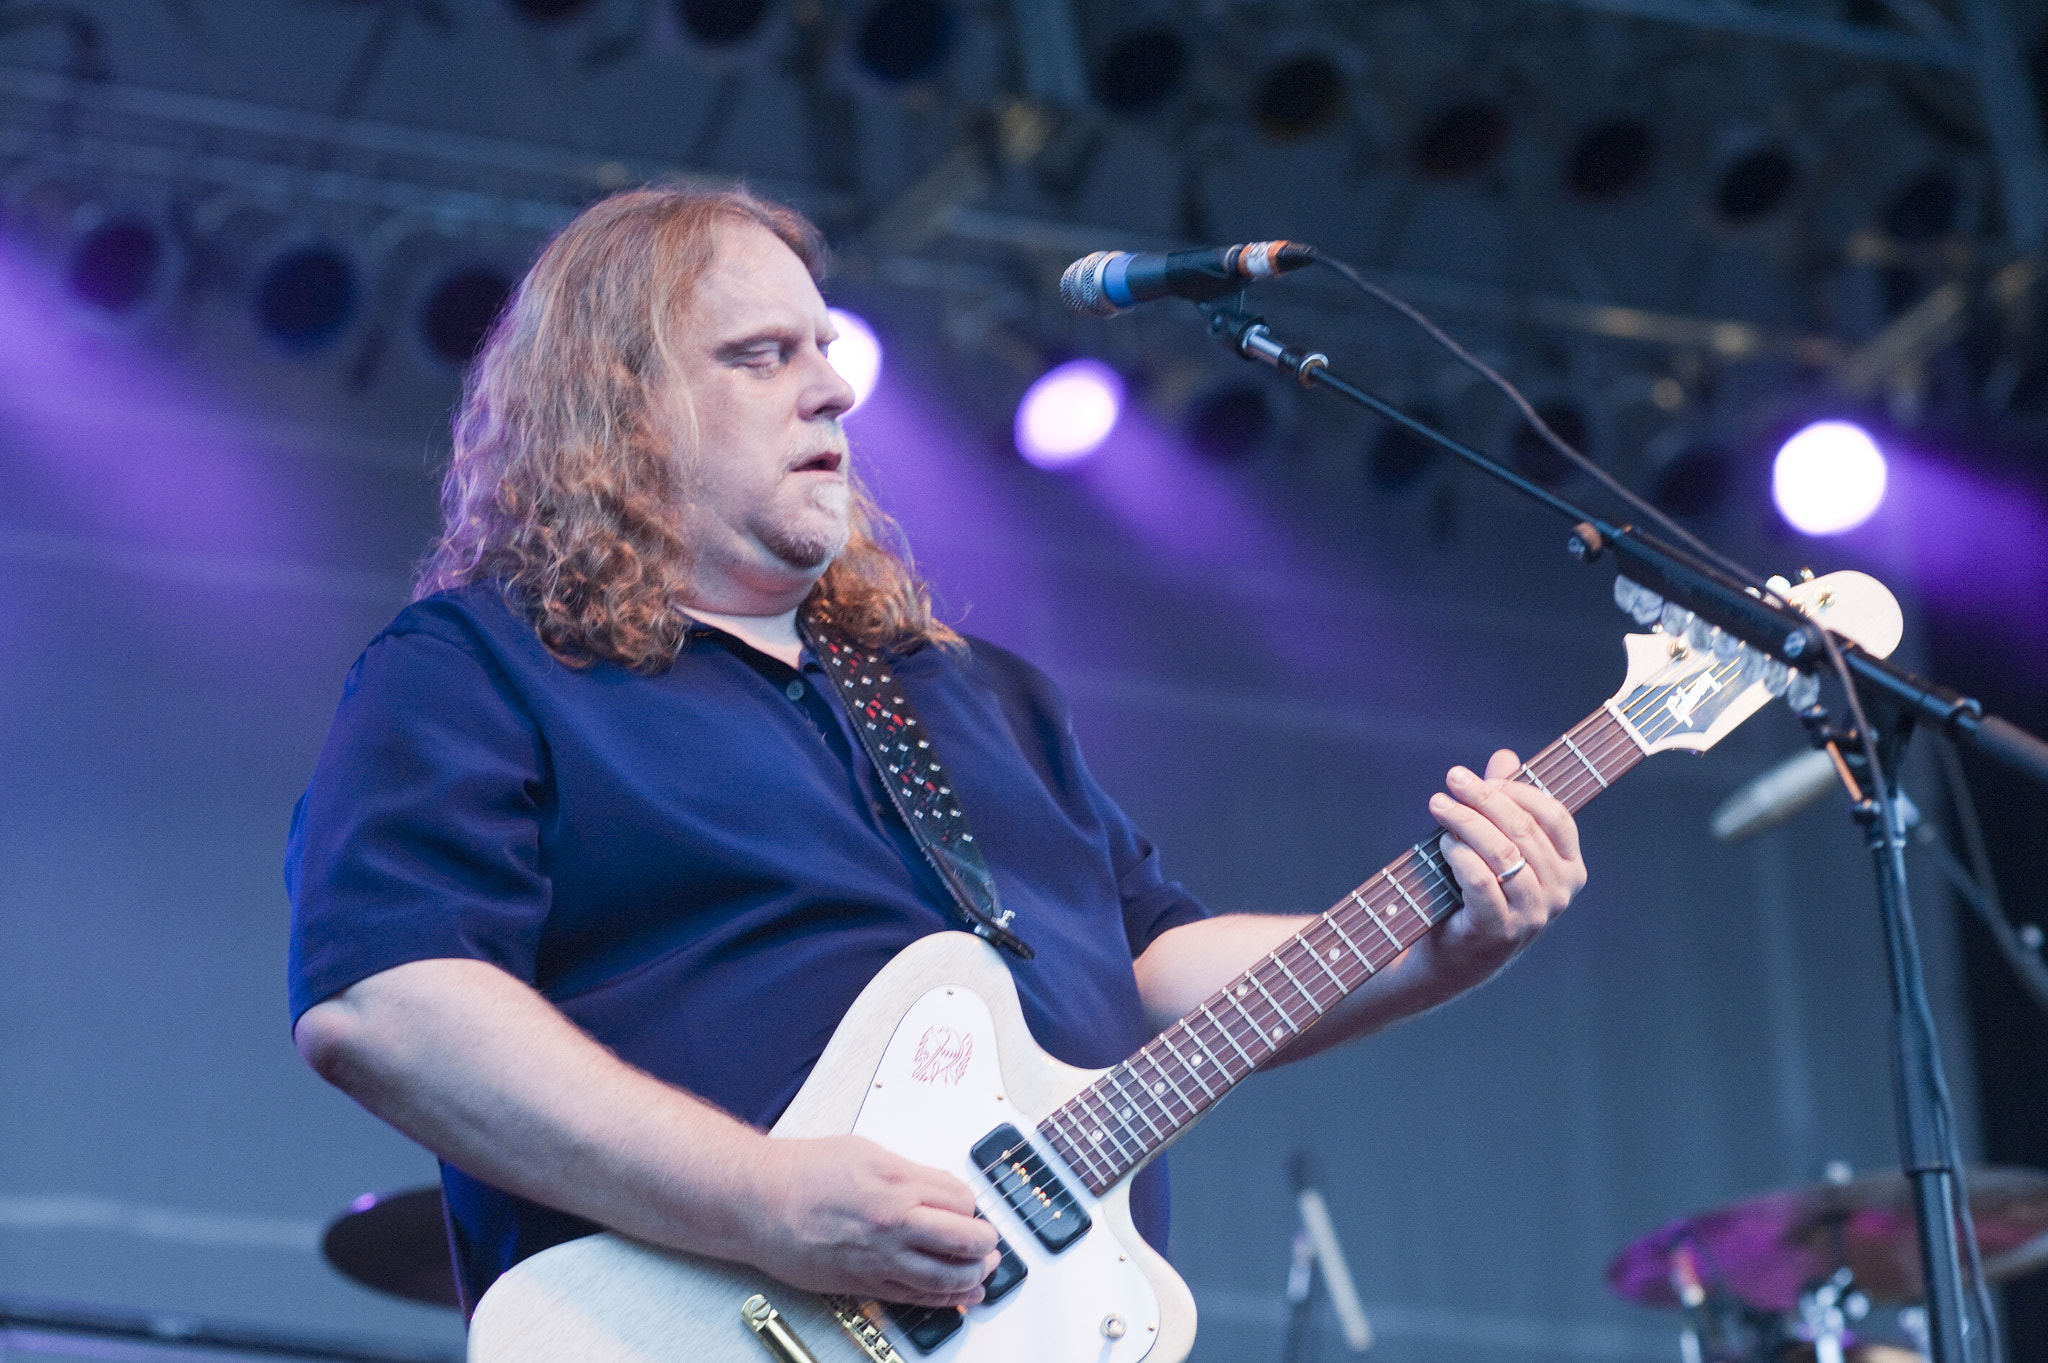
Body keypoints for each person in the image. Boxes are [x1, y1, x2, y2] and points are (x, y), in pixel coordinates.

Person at [285, 185, 1586, 1316]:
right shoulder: (481, 667)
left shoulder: (981, 696)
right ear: (620, 411)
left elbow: (1152, 969)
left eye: (825, 346)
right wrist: (762, 1200)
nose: (833, 384)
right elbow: (387, 1004)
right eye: (759, 354)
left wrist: (1447, 937)